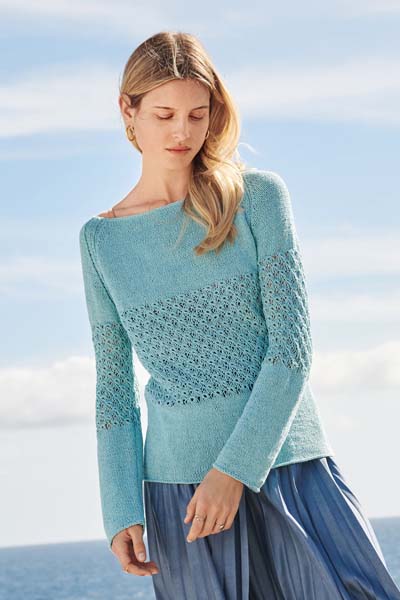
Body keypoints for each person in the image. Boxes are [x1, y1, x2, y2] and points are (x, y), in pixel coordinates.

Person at [79, 31, 400, 599]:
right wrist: (121, 507)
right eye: (164, 115)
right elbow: (114, 391)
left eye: (197, 114)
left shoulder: (258, 198)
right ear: (128, 111)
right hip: (181, 497)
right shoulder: (101, 241)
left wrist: (234, 471)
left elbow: (291, 351)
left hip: (289, 469)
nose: (182, 133)